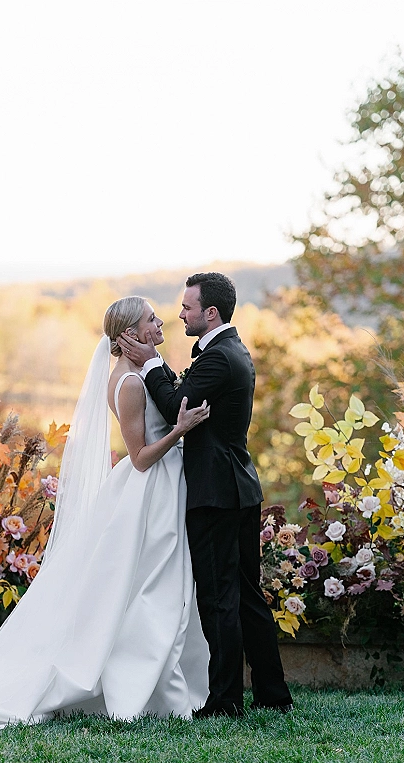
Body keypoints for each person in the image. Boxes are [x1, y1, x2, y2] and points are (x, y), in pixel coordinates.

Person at [0, 297, 210, 726]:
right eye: (150, 319)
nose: (160, 321)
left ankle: (157, 681)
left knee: (153, 590)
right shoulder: (129, 384)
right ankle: (143, 685)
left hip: (160, 489)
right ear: (129, 334)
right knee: (150, 591)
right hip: (149, 491)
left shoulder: (141, 373)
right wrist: (180, 430)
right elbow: (140, 457)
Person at [118, 272, 293, 717]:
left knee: (219, 598)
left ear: (209, 312)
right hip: (239, 488)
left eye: (187, 307)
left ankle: (224, 700)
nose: (180, 314)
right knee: (247, 596)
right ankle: (272, 694)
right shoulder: (229, 351)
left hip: (216, 493)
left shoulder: (217, 357)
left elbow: (178, 404)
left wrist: (153, 362)